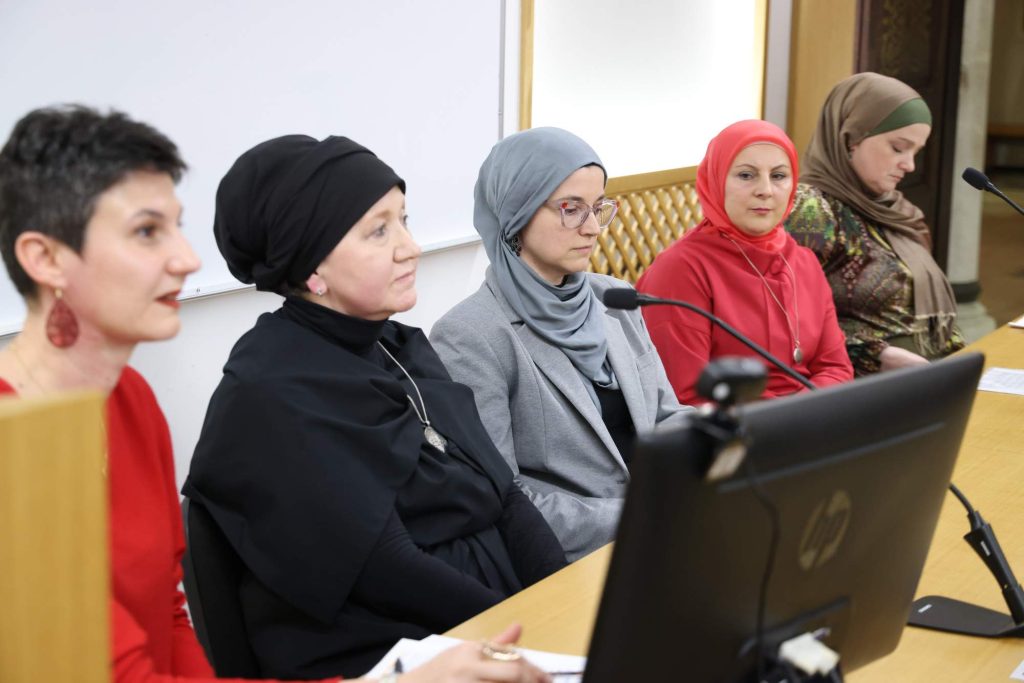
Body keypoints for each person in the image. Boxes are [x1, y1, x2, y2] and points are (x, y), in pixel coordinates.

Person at [0, 106, 552, 683]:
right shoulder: (20, 444)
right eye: (146, 232)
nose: (187, 260)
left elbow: (168, 620)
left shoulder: (128, 399)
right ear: (45, 259)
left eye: (176, 228)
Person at [183, 134, 567, 680]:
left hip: (491, 619)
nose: (411, 247)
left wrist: (561, 604)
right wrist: (520, 635)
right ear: (312, 268)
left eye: (404, 220)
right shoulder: (268, 391)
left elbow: (504, 494)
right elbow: (387, 567)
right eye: (378, 231)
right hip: (388, 645)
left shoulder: (398, 346)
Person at [430, 127, 689, 562]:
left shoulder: (616, 298)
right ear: (517, 212)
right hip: (573, 561)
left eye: (599, 208)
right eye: (571, 209)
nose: (593, 228)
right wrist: (641, 516)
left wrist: (722, 451)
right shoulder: (470, 335)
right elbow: (503, 497)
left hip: (665, 531)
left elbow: (664, 415)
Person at [636, 119, 853, 404]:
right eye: (746, 175)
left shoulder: (804, 262)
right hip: (731, 425)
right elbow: (685, 395)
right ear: (716, 181)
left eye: (778, 176)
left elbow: (836, 368)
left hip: (812, 418)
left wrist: (805, 415)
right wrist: (790, 418)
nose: (766, 190)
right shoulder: (681, 270)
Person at [785, 72, 965, 375]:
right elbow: (785, 319)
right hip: (863, 386)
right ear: (851, 138)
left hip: (929, 379)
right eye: (898, 147)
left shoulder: (898, 211)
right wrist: (874, 355)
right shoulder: (812, 209)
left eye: (916, 152)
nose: (910, 165)